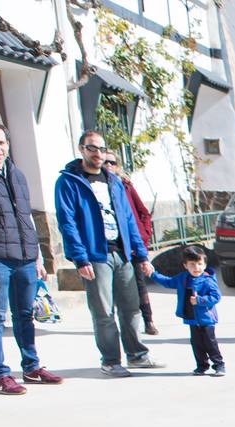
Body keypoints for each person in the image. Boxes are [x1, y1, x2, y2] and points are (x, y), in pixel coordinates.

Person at [55, 131, 160, 376]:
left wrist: (141, 254)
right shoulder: (69, 181)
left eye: (102, 149)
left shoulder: (113, 181)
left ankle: (137, 355)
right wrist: (80, 257)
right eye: (92, 148)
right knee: (103, 311)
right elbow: (67, 222)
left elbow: (128, 219)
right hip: (95, 254)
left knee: (131, 307)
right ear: (81, 149)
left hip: (122, 253)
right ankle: (111, 359)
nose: (98, 154)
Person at [0, 123, 62, 395]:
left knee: (25, 315)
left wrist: (37, 257)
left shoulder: (17, 175)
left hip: (24, 258)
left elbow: (27, 217)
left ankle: (31, 367)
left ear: (8, 144)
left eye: (0, 142)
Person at [106, 151, 159, 335]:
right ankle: (120, 325)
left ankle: (148, 320)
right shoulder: (95, 188)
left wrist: (144, 235)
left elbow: (143, 212)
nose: (108, 166)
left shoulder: (125, 186)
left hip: (134, 245)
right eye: (105, 162)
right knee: (115, 288)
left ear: (117, 165)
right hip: (113, 245)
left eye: (112, 162)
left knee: (139, 284)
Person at [152, 244, 224, 375]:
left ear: (204, 264)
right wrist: (153, 274)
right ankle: (202, 366)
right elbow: (168, 282)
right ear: (185, 265)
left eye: (199, 264)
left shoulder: (207, 280)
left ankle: (219, 365)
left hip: (206, 318)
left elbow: (216, 296)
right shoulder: (183, 278)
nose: (196, 268)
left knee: (210, 343)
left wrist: (200, 300)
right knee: (196, 344)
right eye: (192, 264)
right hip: (191, 318)